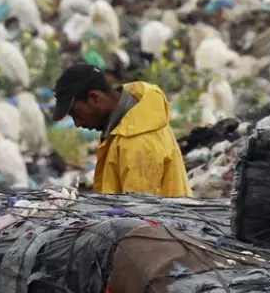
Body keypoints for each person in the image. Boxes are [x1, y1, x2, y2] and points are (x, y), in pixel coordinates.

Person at [51, 63, 191, 197]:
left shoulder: (137, 143)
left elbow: (140, 214)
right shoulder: (132, 121)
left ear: (95, 98)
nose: (77, 123)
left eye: (77, 114)